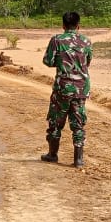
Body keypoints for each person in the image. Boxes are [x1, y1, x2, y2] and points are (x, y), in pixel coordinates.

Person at [40, 11, 92, 168]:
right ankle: (78, 160)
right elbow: (87, 62)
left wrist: (62, 63)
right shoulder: (86, 41)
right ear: (78, 26)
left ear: (63, 25)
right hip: (81, 87)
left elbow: (48, 61)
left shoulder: (57, 39)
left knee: (56, 121)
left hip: (63, 87)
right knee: (78, 122)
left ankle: (52, 154)